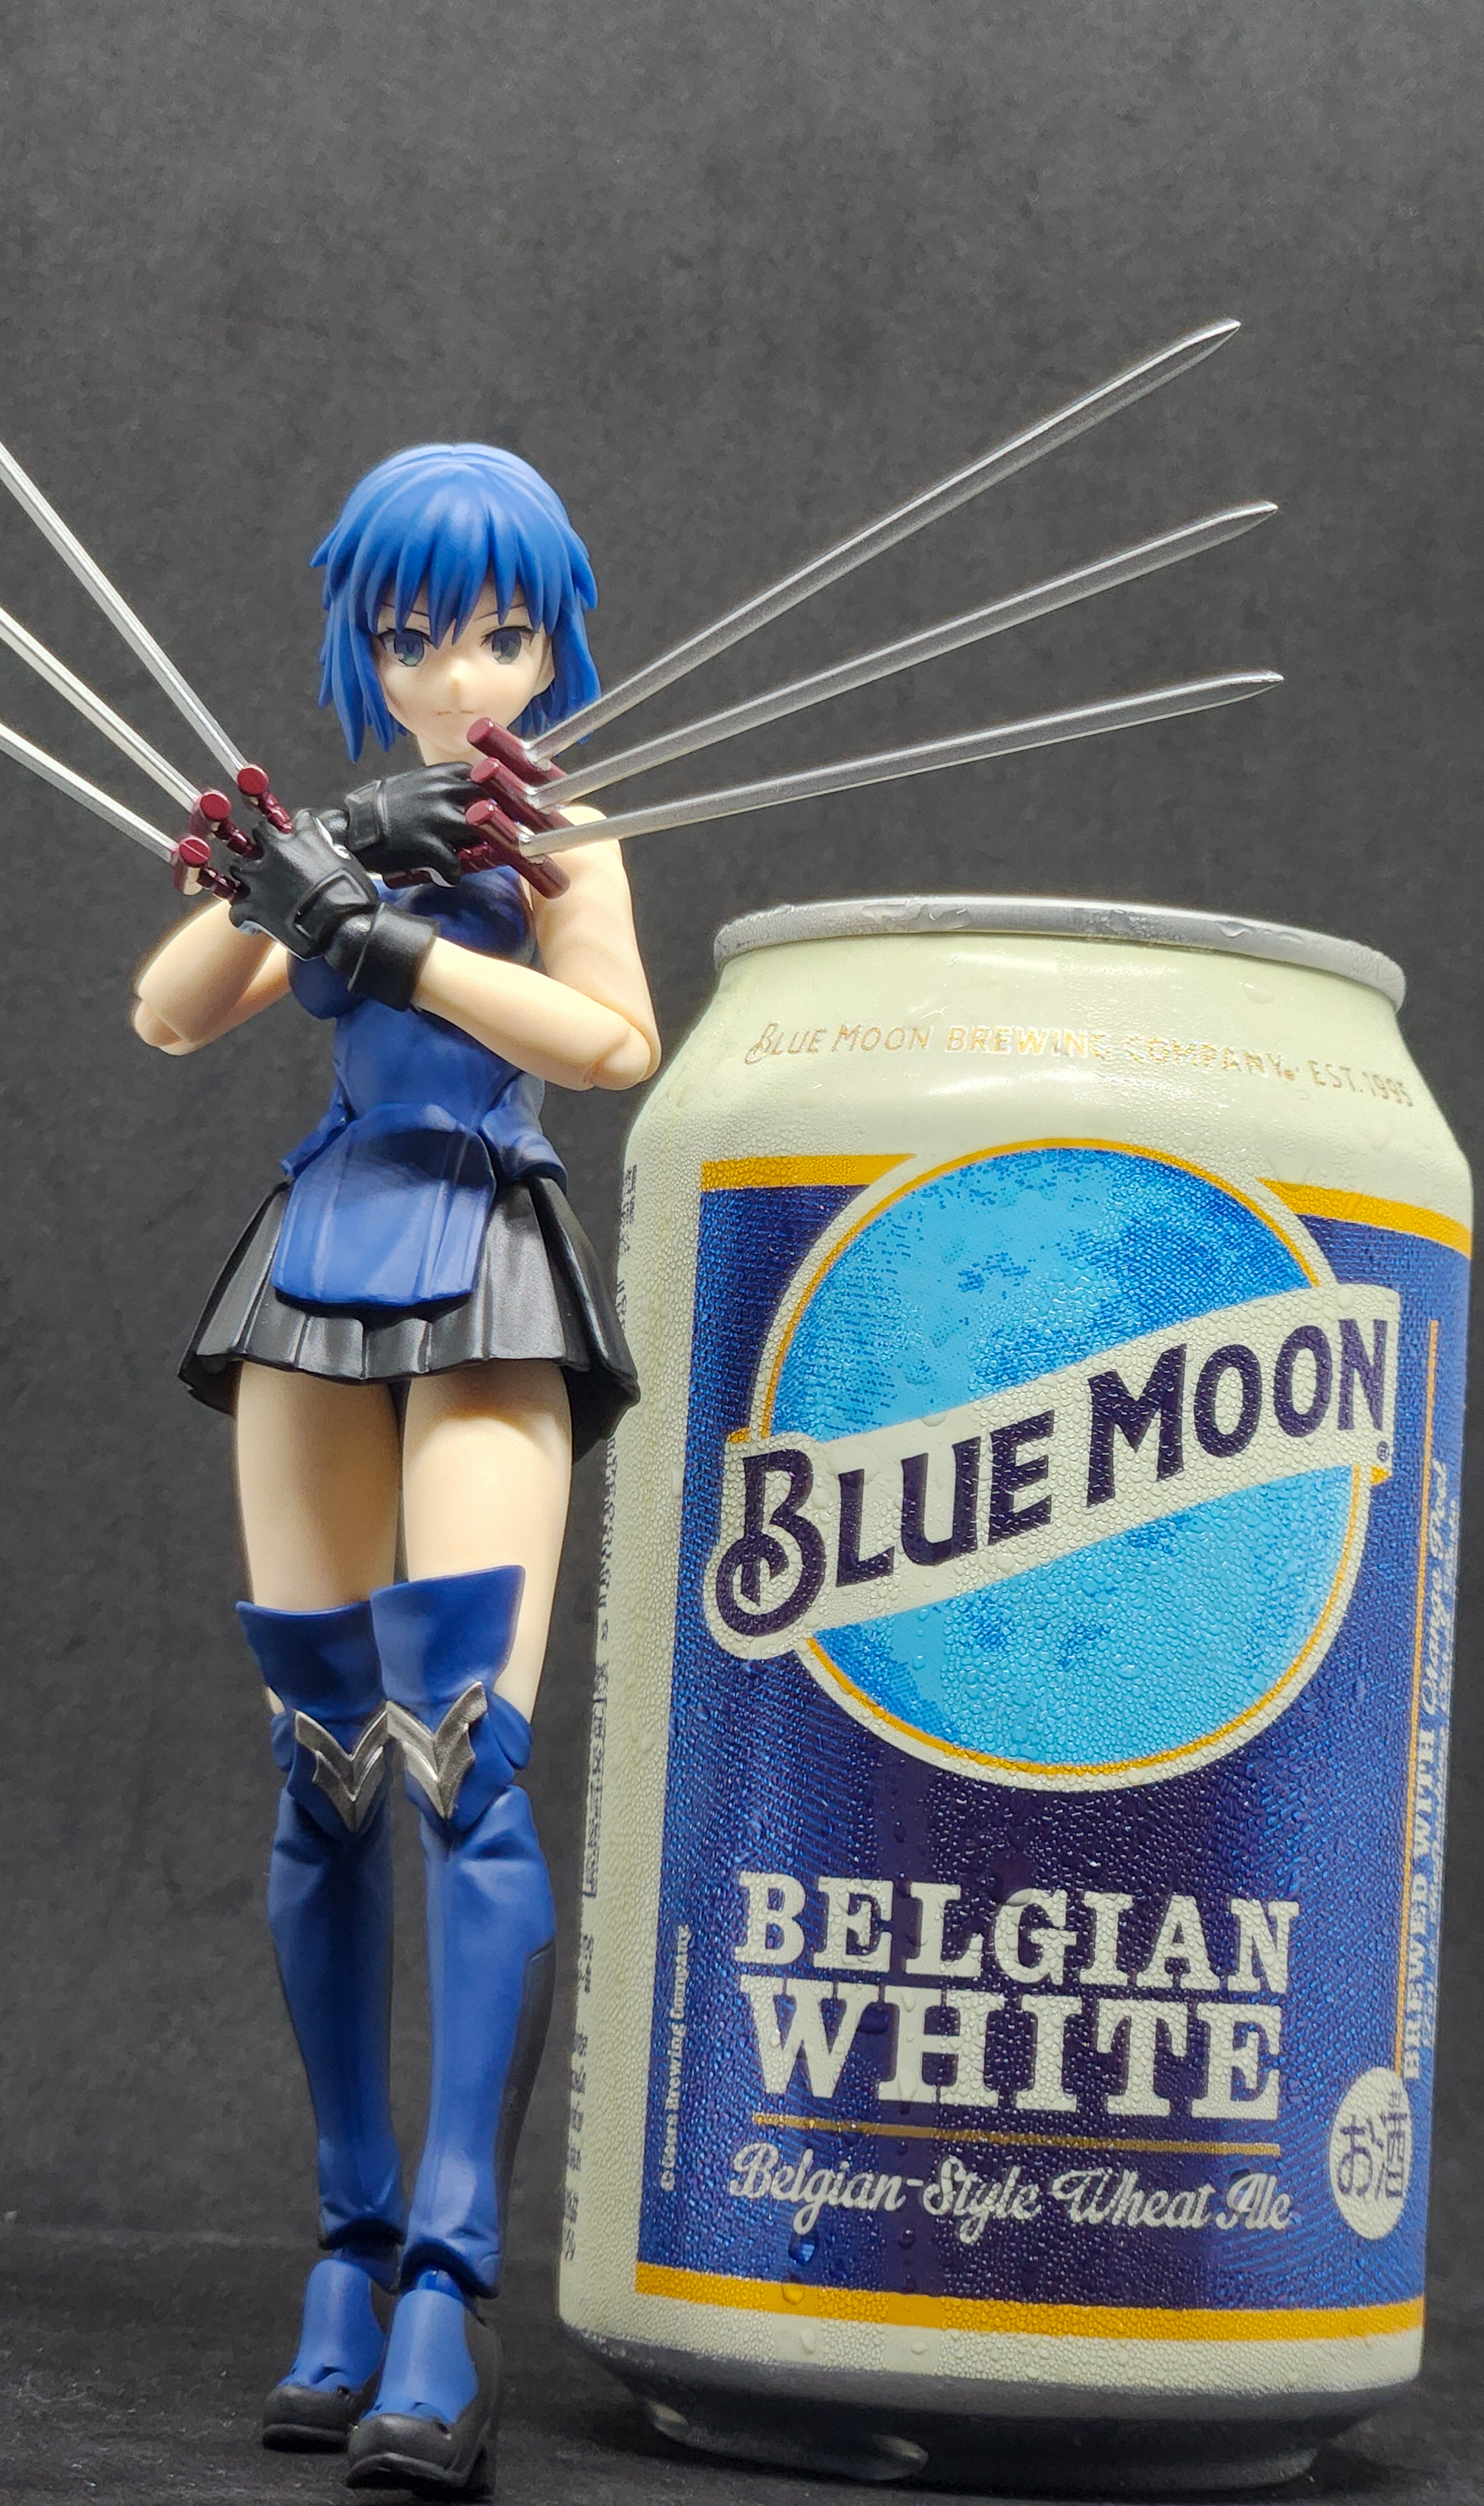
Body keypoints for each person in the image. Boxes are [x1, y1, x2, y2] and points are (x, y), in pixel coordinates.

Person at [131, 443, 658, 2496]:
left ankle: (449, 2275)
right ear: (365, 641)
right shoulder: (354, 813)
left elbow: (608, 1042)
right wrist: (305, 860)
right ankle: (346, 2250)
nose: (456, 673)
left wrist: (399, 930)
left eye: (498, 633)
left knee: (469, 1766)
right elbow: (172, 1014)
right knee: (326, 1768)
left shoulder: (554, 824)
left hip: (488, 1255)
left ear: (553, 642)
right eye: (416, 633)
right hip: (319, 1259)